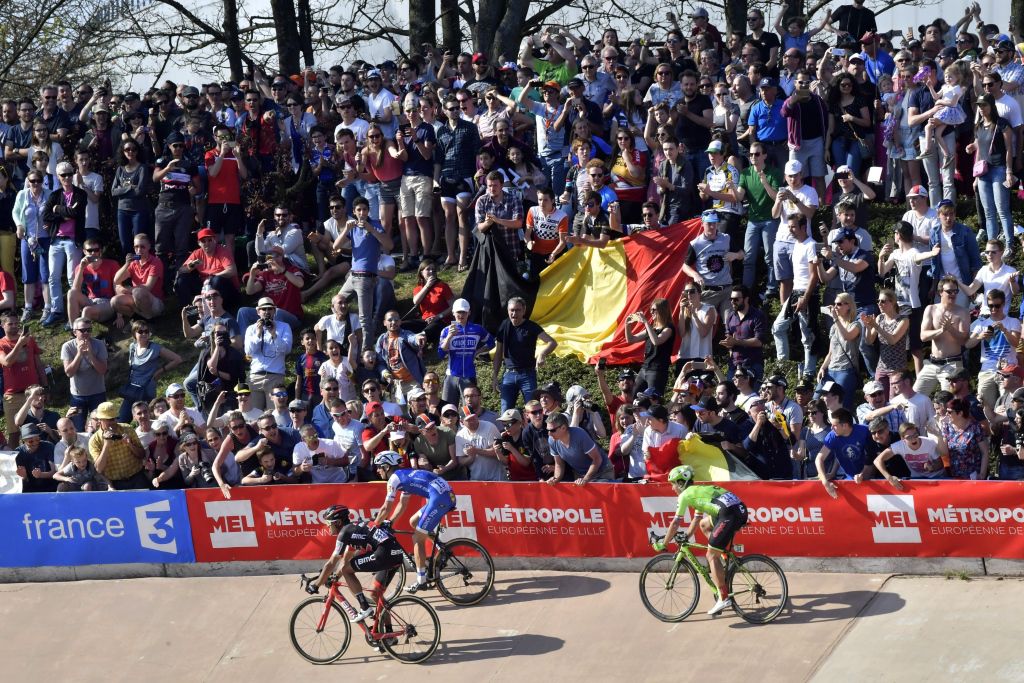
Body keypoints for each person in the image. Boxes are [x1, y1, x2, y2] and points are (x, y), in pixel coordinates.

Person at [652, 464, 749, 616]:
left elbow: (676, 522)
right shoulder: (698, 491)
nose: (672, 488)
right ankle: (722, 555)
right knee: (705, 524)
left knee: (711, 555)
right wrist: (686, 536)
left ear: (680, 483)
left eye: (673, 484)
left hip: (729, 515)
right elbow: (697, 520)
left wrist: (664, 543)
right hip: (738, 510)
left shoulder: (685, 495)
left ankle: (723, 598)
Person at [372, 450, 456, 592]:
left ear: (387, 467)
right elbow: (402, 504)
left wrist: (375, 525)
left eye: (379, 467)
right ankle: (442, 549)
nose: (378, 471)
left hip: (439, 498)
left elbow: (386, 508)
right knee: (413, 522)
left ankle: (421, 580)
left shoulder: (394, 479)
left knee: (417, 537)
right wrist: (390, 522)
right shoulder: (405, 476)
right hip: (444, 495)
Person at [311, 505, 404, 624]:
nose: (328, 526)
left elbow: (331, 563)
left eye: (329, 523)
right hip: (396, 554)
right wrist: (335, 577)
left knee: (346, 571)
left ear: (338, 522)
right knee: (375, 595)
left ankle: (364, 607)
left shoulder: (344, 533)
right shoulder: (354, 529)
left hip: (384, 554)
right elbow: (346, 559)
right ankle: (389, 634)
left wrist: (316, 585)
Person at [337, 196, 393, 344]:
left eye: (364, 209)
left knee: (364, 317)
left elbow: (389, 245)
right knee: (337, 302)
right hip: (352, 276)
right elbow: (335, 246)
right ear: (354, 212)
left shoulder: (375, 224)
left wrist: (372, 230)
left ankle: (366, 349)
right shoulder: (352, 227)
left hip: (366, 277)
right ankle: (342, 337)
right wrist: (346, 230)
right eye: (359, 210)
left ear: (368, 211)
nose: (362, 213)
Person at [41, 160, 87, 328]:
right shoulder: (54, 195)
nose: (67, 177)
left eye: (69, 173)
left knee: (71, 278)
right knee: (53, 277)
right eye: (63, 175)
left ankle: (74, 315)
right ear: (58, 177)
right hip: (56, 241)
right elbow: (46, 216)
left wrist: (57, 210)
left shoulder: (81, 194)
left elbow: (76, 212)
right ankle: (57, 311)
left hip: (73, 240)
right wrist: (64, 214)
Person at [492, 297, 557, 412]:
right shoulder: (504, 325)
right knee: (505, 411)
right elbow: (498, 352)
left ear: (524, 310)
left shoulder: (531, 326)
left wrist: (542, 354)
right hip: (509, 374)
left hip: (528, 374)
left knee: (532, 410)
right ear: (507, 311)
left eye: (517, 310)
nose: (514, 313)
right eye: (511, 310)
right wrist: (495, 375)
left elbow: (552, 342)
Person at [438, 298, 495, 405]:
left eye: (464, 312)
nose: (461, 315)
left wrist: (478, 351)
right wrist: (449, 337)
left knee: (469, 409)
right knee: (448, 409)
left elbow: (491, 343)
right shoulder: (446, 331)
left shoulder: (477, 329)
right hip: (451, 375)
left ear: (469, 312)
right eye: (458, 312)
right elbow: (441, 353)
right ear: (453, 313)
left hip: (469, 375)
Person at [243, 298, 294, 409]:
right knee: (255, 415)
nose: (267, 312)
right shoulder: (251, 329)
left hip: (275, 376)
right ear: (258, 311)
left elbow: (287, 349)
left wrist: (274, 334)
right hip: (255, 376)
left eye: (270, 309)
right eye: (263, 309)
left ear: (274, 311)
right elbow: (248, 351)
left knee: (274, 415)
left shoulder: (284, 327)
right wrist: (258, 333)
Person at [89, 400, 148, 490]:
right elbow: (99, 469)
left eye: (115, 418)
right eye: (109, 419)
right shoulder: (94, 440)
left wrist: (130, 445)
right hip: (116, 484)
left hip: (137, 477)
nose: (113, 422)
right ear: (100, 420)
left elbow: (142, 455)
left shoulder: (127, 429)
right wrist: (106, 445)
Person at [544, 411, 615, 484]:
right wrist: (555, 479)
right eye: (548, 430)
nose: (549, 433)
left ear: (563, 428)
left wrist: (585, 479)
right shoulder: (552, 439)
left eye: (552, 430)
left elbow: (597, 459)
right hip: (581, 476)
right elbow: (559, 464)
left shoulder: (579, 435)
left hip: (602, 472)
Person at [816, 407, 872, 498]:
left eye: (834, 425)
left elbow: (874, 456)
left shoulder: (865, 431)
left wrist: (863, 474)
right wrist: (825, 482)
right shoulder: (832, 436)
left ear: (845, 425)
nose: (831, 428)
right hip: (850, 479)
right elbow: (819, 459)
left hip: (871, 478)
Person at [624, 298, 675, 397]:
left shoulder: (668, 328)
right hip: (645, 368)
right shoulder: (651, 328)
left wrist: (646, 322)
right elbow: (631, 339)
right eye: (651, 309)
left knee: (653, 399)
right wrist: (627, 325)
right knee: (634, 396)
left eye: (654, 309)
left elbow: (657, 341)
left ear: (662, 310)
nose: (651, 312)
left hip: (657, 370)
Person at [110, 233, 166, 322]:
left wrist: (126, 289)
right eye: (136, 247)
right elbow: (116, 280)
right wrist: (126, 264)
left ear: (148, 247)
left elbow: (147, 287)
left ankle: (149, 320)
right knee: (114, 301)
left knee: (138, 292)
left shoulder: (155, 262)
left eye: (142, 247)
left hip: (155, 303)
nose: (139, 250)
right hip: (137, 299)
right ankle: (138, 319)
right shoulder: (133, 263)